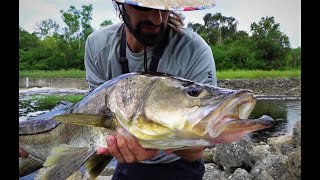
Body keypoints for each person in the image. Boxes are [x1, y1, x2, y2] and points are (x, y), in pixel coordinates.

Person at [85, 0, 217, 179]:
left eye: (165, 8)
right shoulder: (97, 46)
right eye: (144, 7)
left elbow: (196, 150)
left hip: (180, 165)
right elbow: (93, 120)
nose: (157, 19)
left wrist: (162, 142)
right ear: (121, 5)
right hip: (128, 163)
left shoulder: (195, 51)